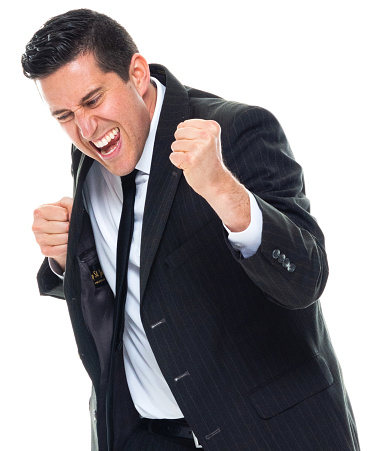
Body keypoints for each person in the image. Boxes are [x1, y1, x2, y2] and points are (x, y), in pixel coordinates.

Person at [22, 8, 360, 451]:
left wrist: (226, 193)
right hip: (148, 437)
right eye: (63, 116)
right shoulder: (91, 155)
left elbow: (306, 278)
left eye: (92, 100)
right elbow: (130, 290)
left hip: (268, 434)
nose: (85, 129)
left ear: (137, 74)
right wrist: (69, 261)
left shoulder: (237, 130)